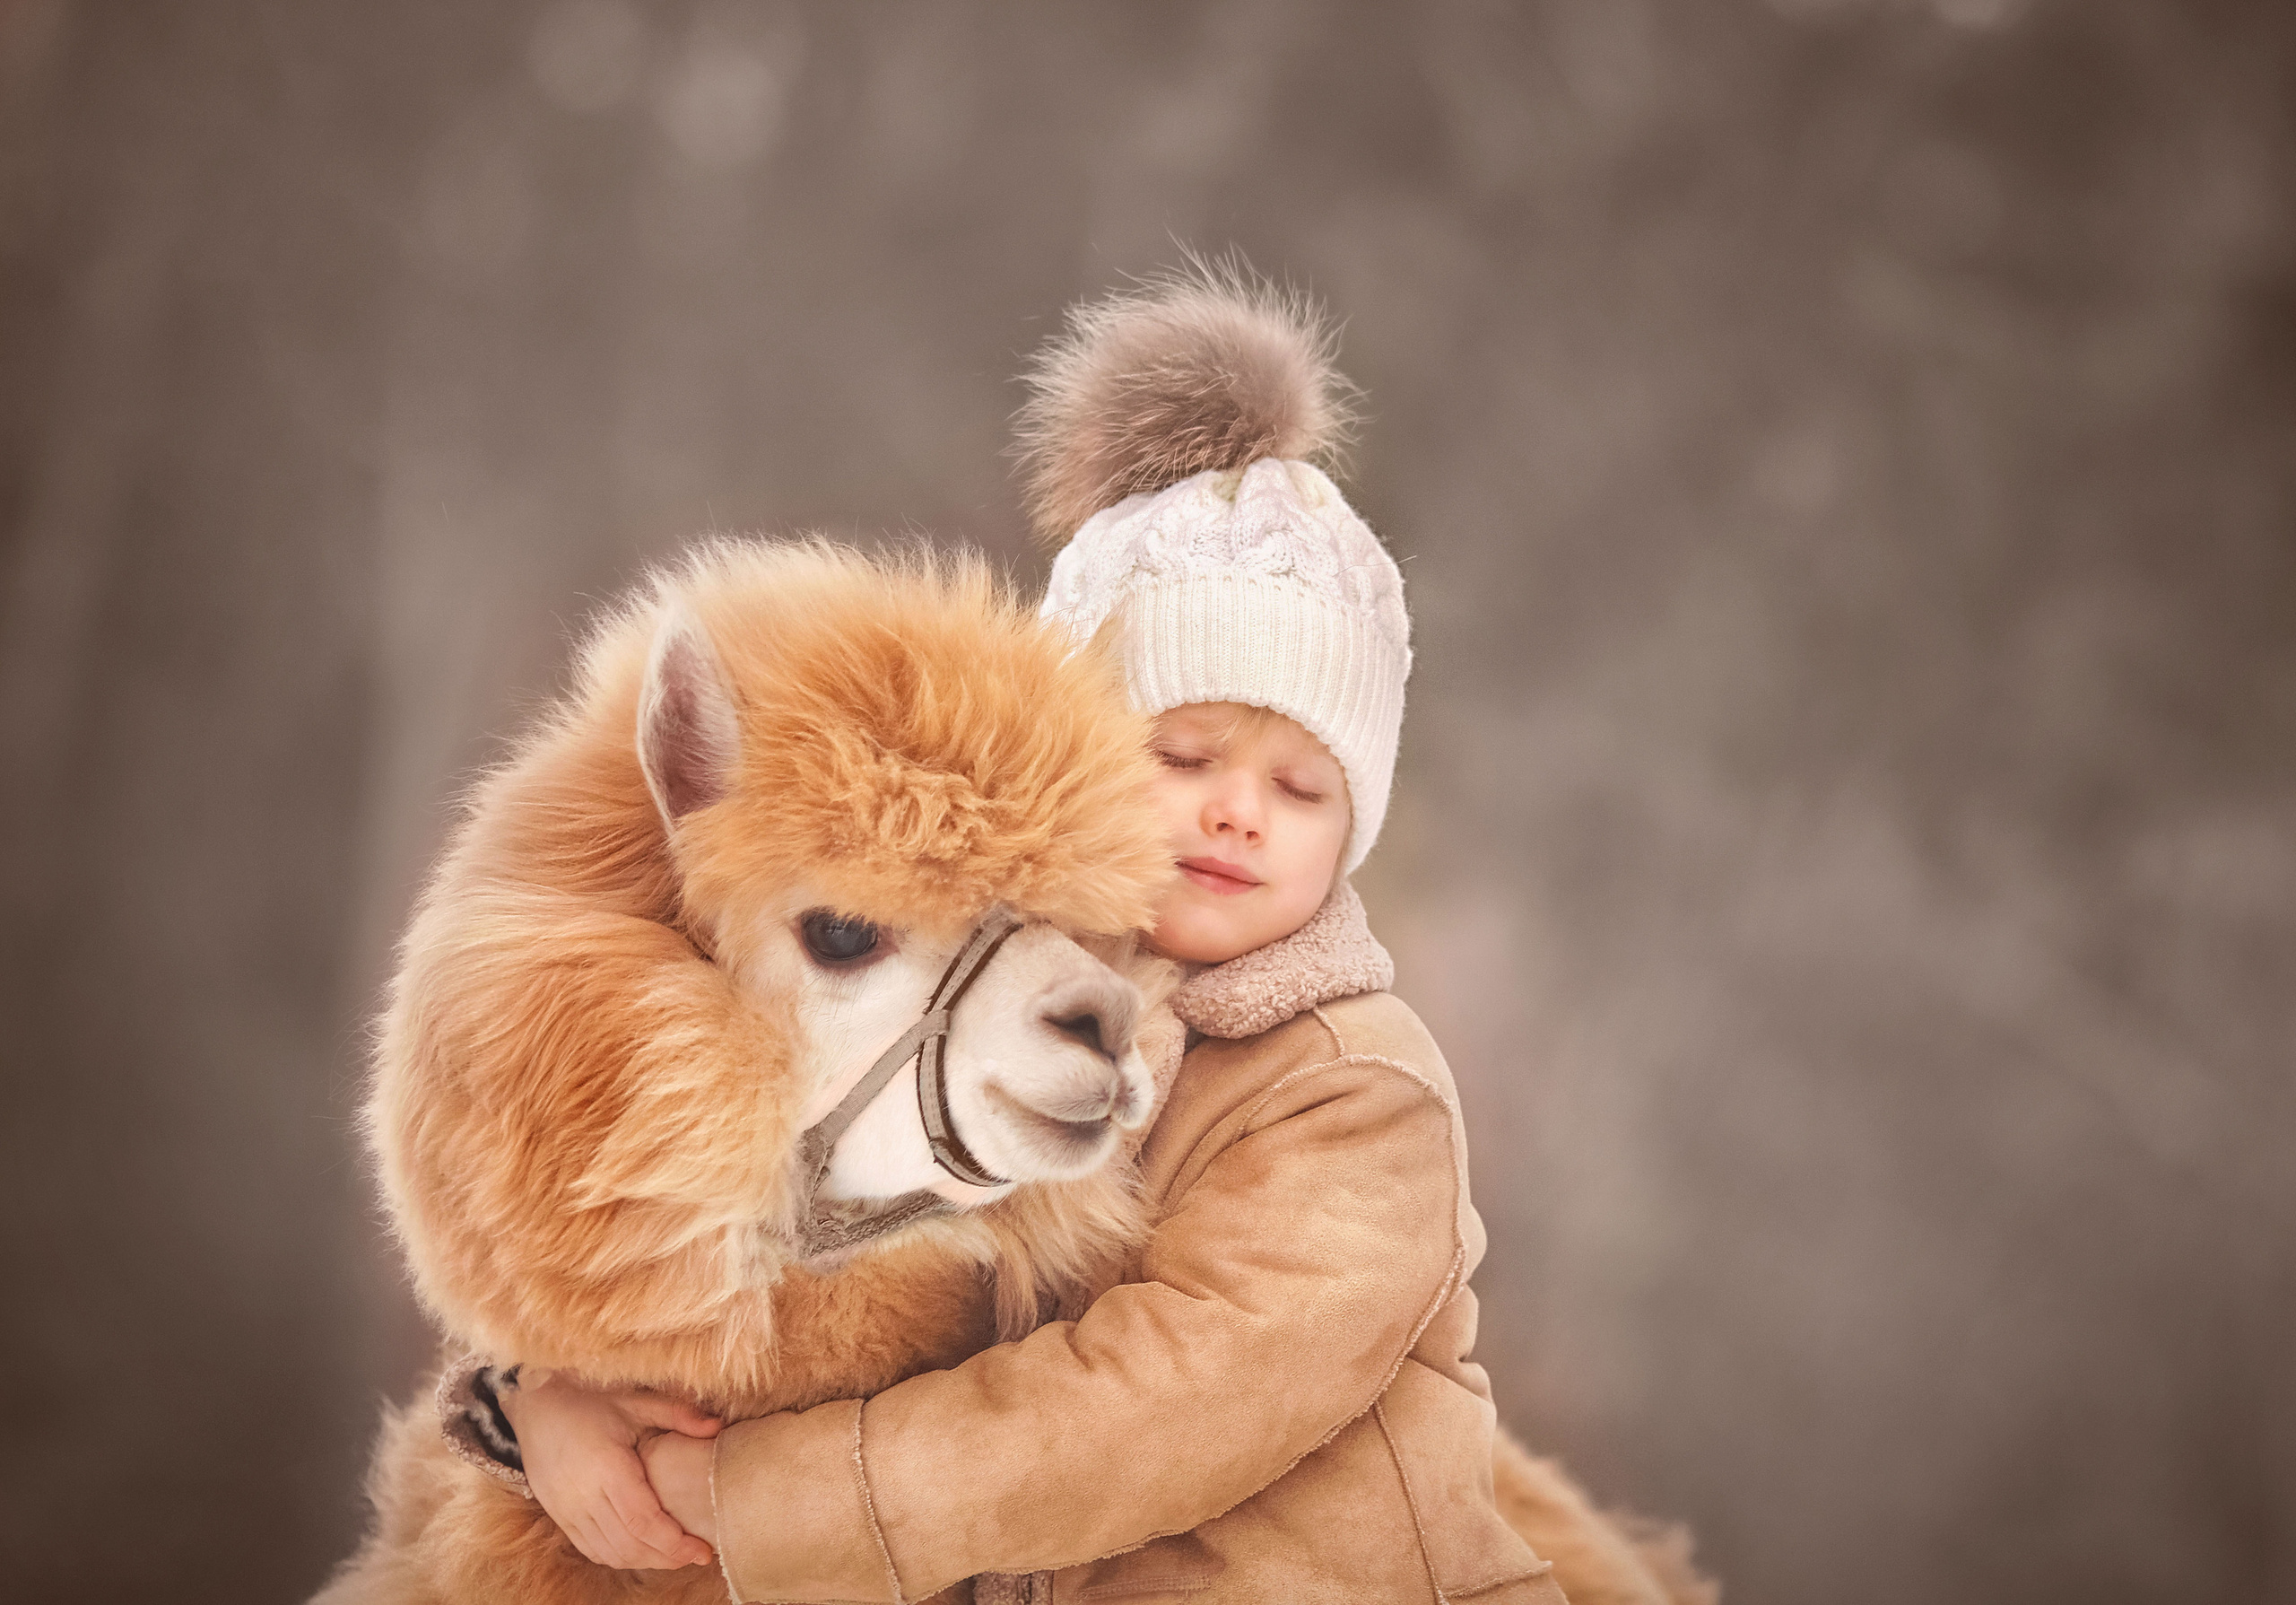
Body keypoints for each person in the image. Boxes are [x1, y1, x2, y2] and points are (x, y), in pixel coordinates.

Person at [467, 274, 1574, 1603]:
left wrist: (760, 1496)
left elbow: (1166, 1405)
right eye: (1185, 755)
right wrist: (540, 1395)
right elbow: (789, 1239)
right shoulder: (990, 1026)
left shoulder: (1353, 1092)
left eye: (1301, 788)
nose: (1239, 811)